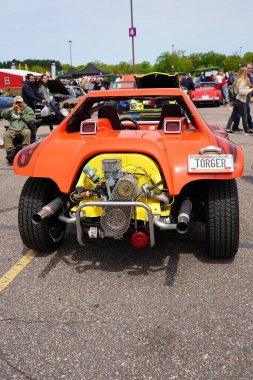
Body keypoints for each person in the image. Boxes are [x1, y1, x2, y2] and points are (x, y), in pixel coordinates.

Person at [2, 96, 35, 162]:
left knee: (27, 132)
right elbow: (3, 115)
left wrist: (21, 113)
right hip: (13, 129)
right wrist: (11, 109)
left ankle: (25, 151)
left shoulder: (28, 109)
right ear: (14, 103)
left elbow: (30, 119)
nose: (18, 104)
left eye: (20, 102)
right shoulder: (12, 110)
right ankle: (11, 152)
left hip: (24, 128)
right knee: (6, 135)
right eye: (16, 103)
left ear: (22, 102)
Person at [225, 67, 253, 134]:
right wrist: (251, 89)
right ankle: (246, 129)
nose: (248, 72)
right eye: (246, 71)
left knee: (233, 115)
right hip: (241, 100)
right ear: (244, 72)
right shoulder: (242, 81)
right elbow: (241, 92)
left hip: (236, 100)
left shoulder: (237, 80)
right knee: (244, 115)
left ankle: (227, 128)